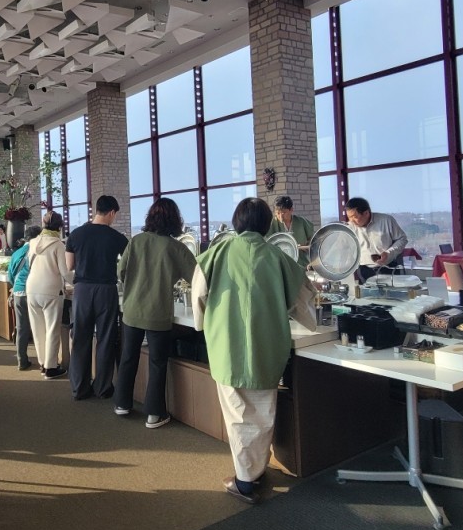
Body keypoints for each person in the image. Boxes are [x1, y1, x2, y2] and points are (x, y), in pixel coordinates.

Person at [192, 198, 313, 505]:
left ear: (237, 222)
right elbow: (303, 300)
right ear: (266, 224)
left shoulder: (216, 253)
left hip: (227, 343)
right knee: (263, 410)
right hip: (267, 344)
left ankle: (245, 481)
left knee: (237, 413)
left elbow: (198, 294)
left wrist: (201, 323)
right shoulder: (278, 256)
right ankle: (254, 470)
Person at [115, 198, 199, 428]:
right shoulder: (176, 248)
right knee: (157, 363)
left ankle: (122, 403)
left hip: (132, 309)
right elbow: (198, 278)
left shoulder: (136, 241)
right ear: (175, 220)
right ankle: (154, 414)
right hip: (158, 312)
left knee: (128, 357)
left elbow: (121, 272)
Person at [65, 195, 129, 401]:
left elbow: (69, 265)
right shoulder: (117, 238)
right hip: (106, 290)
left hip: (82, 290)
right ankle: (102, 387)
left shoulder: (76, 234)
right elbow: (127, 265)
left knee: (80, 338)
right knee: (105, 339)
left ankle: (79, 388)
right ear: (111, 212)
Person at [26, 212, 69, 379]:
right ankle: (51, 368)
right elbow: (65, 272)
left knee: (38, 330)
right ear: (59, 227)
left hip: (32, 288)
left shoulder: (33, 242)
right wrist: (78, 281)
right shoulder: (58, 244)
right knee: (52, 329)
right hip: (50, 290)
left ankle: (43, 363)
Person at [345, 197, 409, 282]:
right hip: (364, 270)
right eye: (349, 217)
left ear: (366, 213)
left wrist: (389, 253)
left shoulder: (386, 220)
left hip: (388, 268)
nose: (351, 221)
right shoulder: (349, 228)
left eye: (354, 217)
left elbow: (402, 239)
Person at [8, 225, 42, 371]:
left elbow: (10, 275)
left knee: (21, 327)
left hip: (18, 292)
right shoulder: (38, 251)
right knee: (40, 327)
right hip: (34, 292)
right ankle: (44, 361)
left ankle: (21, 360)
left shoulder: (16, 253)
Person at [268, 195, 316, 267]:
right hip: (280, 263)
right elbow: (267, 243)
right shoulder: (271, 225)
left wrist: (305, 246)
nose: (281, 216)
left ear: (291, 210)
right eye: (278, 213)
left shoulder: (302, 222)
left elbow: (313, 240)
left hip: (301, 263)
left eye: (284, 212)